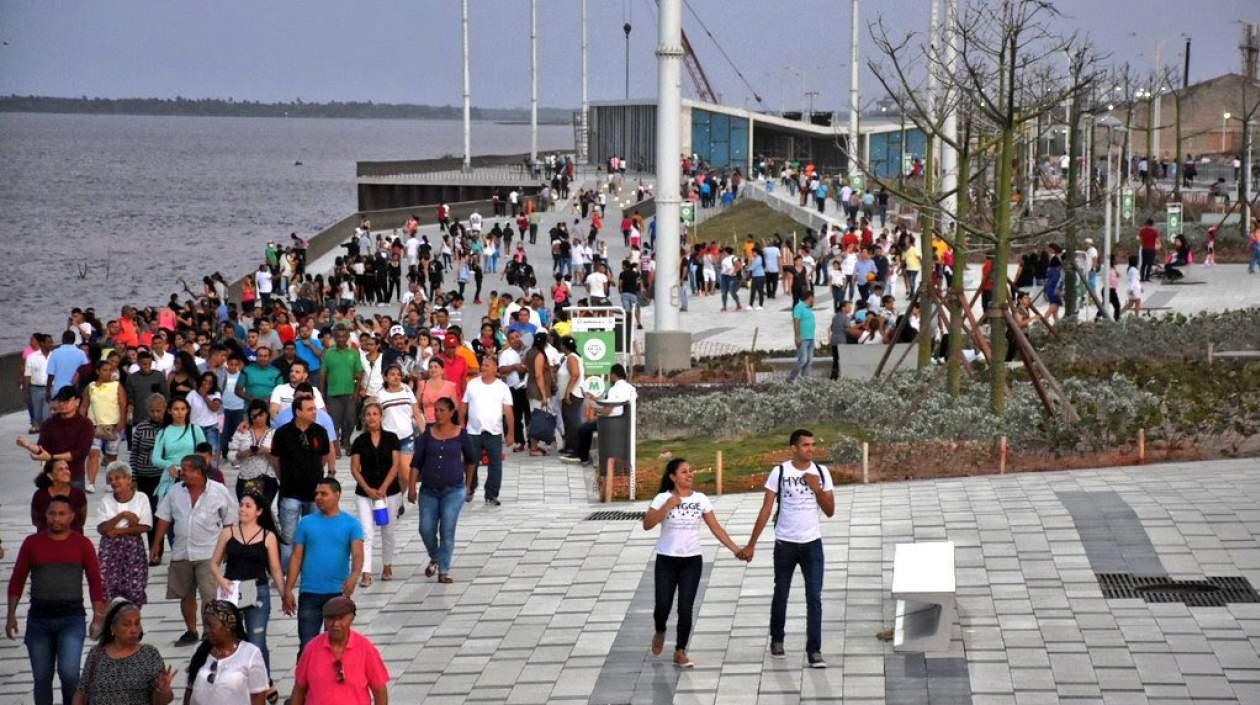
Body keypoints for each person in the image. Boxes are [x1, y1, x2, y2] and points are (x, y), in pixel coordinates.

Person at [738, 429, 836, 668]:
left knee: (814, 597)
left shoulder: (821, 472)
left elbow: (830, 510)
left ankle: (814, 650)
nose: (811, 449)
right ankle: (777, 639)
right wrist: (752, 544)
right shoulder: (780, 472)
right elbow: (766, 509)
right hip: (785, 544)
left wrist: (816, 488)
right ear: (794, 448)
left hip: (812, 544)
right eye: (805, 445)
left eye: (813, 445)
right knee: (781, 591)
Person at [642, 458, 744, 669]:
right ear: (673, 477)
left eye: (691, 471)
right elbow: (647, 524)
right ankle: (660, 630)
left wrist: (736, 550)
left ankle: (680, 651)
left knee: (685, 607)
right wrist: (667, 507)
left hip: (691, 561)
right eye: (684, 472)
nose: (690, 475)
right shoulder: (662, 498)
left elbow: (716, 528)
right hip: (666, 560)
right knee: (662, 607)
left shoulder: (701, 499)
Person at [6, 496, 108, 705]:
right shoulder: (32, 543)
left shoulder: (82, 544)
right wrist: (11, 615)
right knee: (42, 678)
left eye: (62, 514)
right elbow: (17, 579)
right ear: (45, 515)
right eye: (52, 513)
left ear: (72, 517)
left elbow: (95, 582)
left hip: (71, 618)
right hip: (39, 620)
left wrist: (98, 618)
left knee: (70, 673)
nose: (56, 518)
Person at [152, 455, 239, 647]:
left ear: (200, 472)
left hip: (209, 552)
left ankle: (211, 632)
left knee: (209, 596)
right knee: (185, 595)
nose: (183, 472)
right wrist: (157, 544)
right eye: (182, 468)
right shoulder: (175, 491)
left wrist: (227, 549)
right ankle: (191, 630)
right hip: (181, 551)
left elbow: (229, 522)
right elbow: (164, 518)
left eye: (188, 469)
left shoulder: (219, 491)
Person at [208, 492, 287, 695]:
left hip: (256, 589)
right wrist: (221, 579)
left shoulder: (267, 536)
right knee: (230, 636)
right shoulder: (228, 533)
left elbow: (275, 569)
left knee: (257, 639)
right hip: (232, 589)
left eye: (248, 506)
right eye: (242, 505)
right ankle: (234, 678)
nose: (243, 509)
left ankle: (264, 682)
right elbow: (214, 563)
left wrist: (285, 594)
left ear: (259, 511)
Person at [283, 478, 364, 655]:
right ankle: (304, 681)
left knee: (336, 646)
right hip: (309, 592)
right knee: (307, 646)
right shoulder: (306, 523)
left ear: (337, 495)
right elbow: (296, 558)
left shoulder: (351, 524)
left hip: (337, 593)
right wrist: (288, 589)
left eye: (324, 494)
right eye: (317, 494)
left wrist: (354, 577)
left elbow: (358, 555)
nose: (319, 497)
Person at [408, 397, 476, 584]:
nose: (437, 414)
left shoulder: (461, 435)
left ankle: (444, 570)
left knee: (447, 529)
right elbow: (416, 463)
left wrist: (468, 484)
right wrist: (412, 487)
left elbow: (471, 460)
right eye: (435, 410)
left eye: (442, 410)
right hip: (429, 490)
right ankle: (436, 556)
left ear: (451, 412)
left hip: (453, 490)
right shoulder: (426, 436)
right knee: (425, 528)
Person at [271, 396, 335, 569]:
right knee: (289, 535)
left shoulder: (319, 432)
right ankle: (286, 572)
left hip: (315, 493)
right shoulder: (283, 432)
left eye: (314, 408)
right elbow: (275, 459)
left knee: (315, 534)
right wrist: (282, 477)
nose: (314, 412)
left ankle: (311, 569)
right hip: (290, 491)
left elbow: (324, 456)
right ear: (298, 412)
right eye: (309, 409)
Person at [289, 597, 390, 705]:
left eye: (341, 618)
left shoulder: (366, 649)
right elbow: (299, 688)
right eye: (330, 619)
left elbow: (379, 690)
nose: (335, 624)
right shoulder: (312, 649)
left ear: (351, 618)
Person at [74, 600, 176, 705]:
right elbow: (81, 692)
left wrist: (164, 690)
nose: (134, 630)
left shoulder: (149, 654)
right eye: (127, 625)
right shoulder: (96, 654)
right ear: (112, 628)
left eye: (137, 623)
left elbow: (161, 701)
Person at [349, 402, 402, 587]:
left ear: (381, 417)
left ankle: (387, 564)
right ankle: (366, 571)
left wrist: (384, 487)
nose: (371, 418)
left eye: (375, 414)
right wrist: (368, 489)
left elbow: (396, 465)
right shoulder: (359, 441)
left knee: (388, 530)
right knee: (366, 532)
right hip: (365, 492)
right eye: (368, 414)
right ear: (364, 418)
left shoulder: (391, 438)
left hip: (390, 492)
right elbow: (355, 469)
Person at [185, 601, 270, 705]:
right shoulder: (200, 650)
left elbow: (258, 696)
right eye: (205, 625)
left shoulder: (251, 654)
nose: (206, 630)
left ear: (228, 626)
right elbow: (189, 689)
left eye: (211, 625)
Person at [460, 353, 515, 506]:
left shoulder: (502, 387)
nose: (482, 368)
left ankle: (491, 494)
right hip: (473, 431)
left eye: (486, 365)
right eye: (482, 365)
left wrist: (510, 433)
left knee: (495, 464)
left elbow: (508, 412)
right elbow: (464, 405)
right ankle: (470, 488)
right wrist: (459, 426)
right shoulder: (472, 384)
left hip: (494, 431)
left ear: (495, 369)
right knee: (471, 462)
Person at [96, 462, 153, 606]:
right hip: (110, 549)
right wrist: (122, 515)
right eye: (111, 479)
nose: (114, 482)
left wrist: (119, 531)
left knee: (134, 588)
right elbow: (103, 529)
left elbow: (144, 526)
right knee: (107, 586)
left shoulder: (141, 498)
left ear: (128, 479)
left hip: (133, 549)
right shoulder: (106, 500)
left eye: (118, 478)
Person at [17, 385, 95, 491]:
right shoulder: (49, 424)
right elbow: (42, 448)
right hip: (52, 478)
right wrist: (28, 446)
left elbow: (79, 453)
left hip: (74, 477)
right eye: (60, 401)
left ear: (77, 402)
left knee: (75, 506)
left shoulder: (85, 424)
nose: (62, 404)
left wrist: (51, 457)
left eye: (66, 401)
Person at [566, 364, 636, 467]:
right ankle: (582, 455)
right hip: (624, 420)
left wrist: (595, 410)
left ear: (613, 375)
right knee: (588, 425)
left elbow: (607, 411)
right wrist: (595, 399)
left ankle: (582, 457)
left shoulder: (614, 389)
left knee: (583, 429)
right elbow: (610, 404)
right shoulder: (630, 388)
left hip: (610, 421)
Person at [152, 396, 207, 502]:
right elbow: (155, 458)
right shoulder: (163, 432)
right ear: (169, 411)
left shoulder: (195, 429)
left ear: (187, 411)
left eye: (183, 409)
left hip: (193, 476)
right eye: (176, 409)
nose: (180, 412)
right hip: (172, 476)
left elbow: (204, 454)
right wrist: (168, 465)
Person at [84, 358, 127, 494]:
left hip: (113, 425)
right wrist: (81, 423)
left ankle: (110, 482)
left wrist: (121, 423)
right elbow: (84, 405)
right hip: (94, 426)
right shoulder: (90, 387)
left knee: (111, 455)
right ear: (98, 371)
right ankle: (91, 482)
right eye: (104, 370)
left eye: (110, 370)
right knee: (93, 453)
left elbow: (122, 405)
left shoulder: (116, 386)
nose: (108, 373)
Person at [321, 326, 364, 448]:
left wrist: (356, 392)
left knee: (350, 421)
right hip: (333, 394)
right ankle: (336, 447)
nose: (340, 339)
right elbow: (323, 373)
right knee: (334, 422)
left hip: (350, 393)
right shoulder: (329, 354)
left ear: (347, 337)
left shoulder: (354, 354)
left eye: (343, 336)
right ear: (334, 337)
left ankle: (346, 441)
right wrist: (322, 392)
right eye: (338, 336)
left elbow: (359, 374)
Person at [230, 399, 279, 505]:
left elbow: (281, 458)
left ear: (267, 414)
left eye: (261, 415)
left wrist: (268, 452)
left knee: (263, 513)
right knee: (246, 511)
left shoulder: (275, 434)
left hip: (268, 479)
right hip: (245, 478)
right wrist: (243, 453)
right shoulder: (242, 432)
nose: (258, 419)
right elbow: (231, 456)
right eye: (254, 416)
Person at [32, 458, 89, 533]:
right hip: (46, 538)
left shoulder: (78, 494)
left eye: (67, 468)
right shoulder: (40, 495)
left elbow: (81, 521)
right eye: (60, 469)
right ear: (50, 475)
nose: (66, 472)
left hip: (73, 539)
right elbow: (35, 520)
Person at [555, 336, 585, 458]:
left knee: (573, 422)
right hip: (568, 394)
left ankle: (576, 449)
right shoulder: (569, 357)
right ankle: (569, 446)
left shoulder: (572, 358)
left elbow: (575, 375)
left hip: (573, 394)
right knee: (568, 421)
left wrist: (568, 392)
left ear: (564, 346)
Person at [787, 291, 817, 383]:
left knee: (809, 361)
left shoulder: (808, 308)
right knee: (802, 360)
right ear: (810, 297)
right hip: (803, 338)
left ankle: (805, 380)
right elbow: (796, 322)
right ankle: (790, 378)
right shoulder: (799, 307)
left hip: (811, 338)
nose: (814, 300)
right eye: (813, 298)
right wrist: (797, 337)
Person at [1138, 218, 1160, 282]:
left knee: (1143, 264)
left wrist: (1143, 244)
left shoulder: (1142, 231)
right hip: (1151, 249)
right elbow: (1157, 241)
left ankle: (1142, 278)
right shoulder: (1154, 232)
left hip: (1144, 249)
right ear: (1152, 224)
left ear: (1146, 224)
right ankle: (1147, 278)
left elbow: (1140, 240)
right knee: (1149, 264)